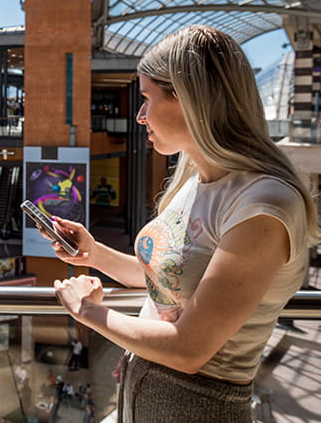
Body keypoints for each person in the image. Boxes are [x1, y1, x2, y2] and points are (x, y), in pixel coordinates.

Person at [46, 26, 316, 423]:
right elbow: (168, 276)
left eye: (146, 98)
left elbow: (188, 349)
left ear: (190, 100)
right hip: (144, 401)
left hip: (196, 409)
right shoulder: (197, 180)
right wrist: (94, 253)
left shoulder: (263, 207)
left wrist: (85, 311)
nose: (139, 116)